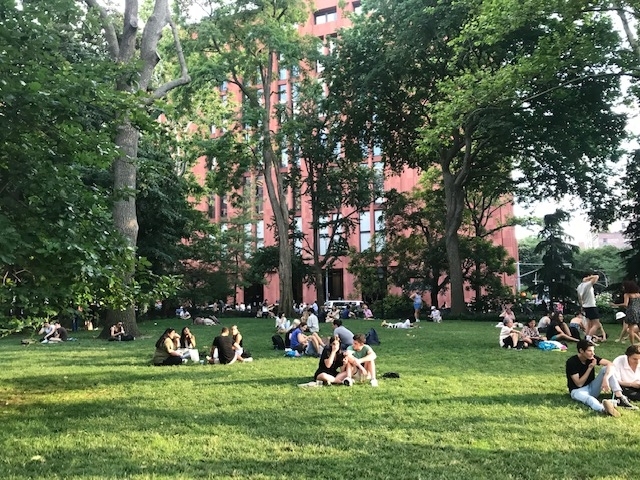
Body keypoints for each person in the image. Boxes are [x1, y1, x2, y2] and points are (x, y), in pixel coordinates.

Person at [565, 339, 636, 416]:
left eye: (593, 351)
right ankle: (604, 409)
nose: (593, 353)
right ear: (581, 350)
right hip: (577, 391)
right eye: (589, 351)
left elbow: (610, 364)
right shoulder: (571, 362)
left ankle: (619, 396)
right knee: (590, 399)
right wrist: (590, 368)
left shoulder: (592, 357)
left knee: (606, 368)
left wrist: (605, 378)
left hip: (592, 387)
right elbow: (579, 384)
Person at [577, 273, 607, 342]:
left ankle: (586, 338)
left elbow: (579, 298)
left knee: (589, 324)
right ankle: (588, 338)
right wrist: (588, 278)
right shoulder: (587, 284)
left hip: (586, 306)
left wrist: (582, 306)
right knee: (596, 324)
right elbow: (597, 277)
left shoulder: (579, 286)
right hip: (591, 306)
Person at [611, 280, 640, 346]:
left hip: (631, 312)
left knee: (631, 329)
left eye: (624, 286)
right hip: (638, 311)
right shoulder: (638, 294)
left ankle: (632, 344)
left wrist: (615, 305)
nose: (623, 288)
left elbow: (625, 304)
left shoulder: (627, 294)